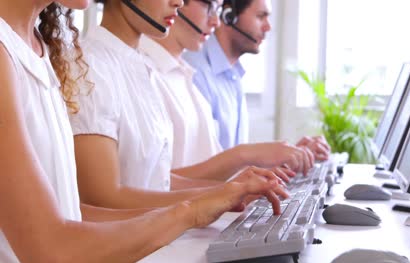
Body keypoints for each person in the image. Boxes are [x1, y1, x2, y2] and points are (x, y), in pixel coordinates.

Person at [0, 0, 287, 262]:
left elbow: (73, 212)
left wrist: (212, 200)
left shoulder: (42, 49)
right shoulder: (16, 55)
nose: (181, 2)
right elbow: (51, 248)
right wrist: (190, 211)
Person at [70, 0, 294, 210]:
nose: (178, 2)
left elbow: (158, 182)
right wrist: (214, 198)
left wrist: (233, 189)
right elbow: (102, 198)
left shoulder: (140, 65)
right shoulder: (89, 66)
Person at [138, 0, 314, 188]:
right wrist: (245, 158)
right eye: (210, 6)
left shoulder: (185, 73)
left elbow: (214, 166)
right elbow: (152, 184)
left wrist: (276, 161)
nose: (216, 21)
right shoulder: (153, 73)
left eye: (218, 9)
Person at [183, 0, 331, 160]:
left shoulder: (233, 75)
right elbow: (204, 169)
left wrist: (290, 156)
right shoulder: (194, 71)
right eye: (261, 16)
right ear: (228, 16)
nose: (268, 27)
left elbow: (233, 166)